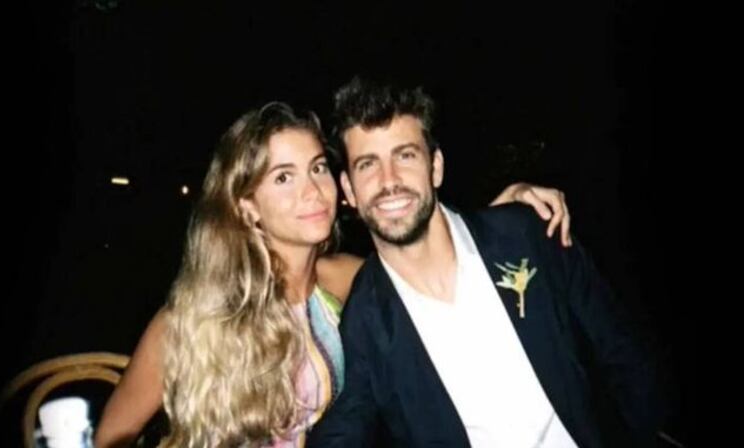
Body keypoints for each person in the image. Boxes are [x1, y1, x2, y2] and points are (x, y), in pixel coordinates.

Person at [94, 101, 572, 448]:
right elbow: (109, 438)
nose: (313, 191)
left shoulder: (344, 281)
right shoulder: (190, 321)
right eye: (284, 177)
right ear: (246, 206)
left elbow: (434, 258)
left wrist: (500, 216)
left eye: (318, 168)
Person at [307, 78, 666, 448]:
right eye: (368, 164)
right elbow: (343, 431)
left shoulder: (527, 234)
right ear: (349, 190)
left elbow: (623, 354)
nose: (389, 180)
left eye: (405, 155)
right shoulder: (364, 323)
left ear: (436, 167)